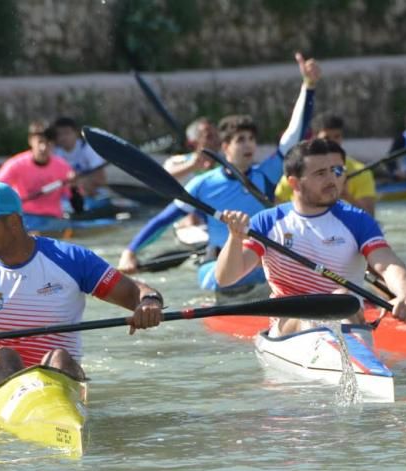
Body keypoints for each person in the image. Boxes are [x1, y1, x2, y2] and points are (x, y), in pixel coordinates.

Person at [0, 180, 164, 390]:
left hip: (55, 379)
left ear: (12, 222)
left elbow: (134, 291)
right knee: (6, 356)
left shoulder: (69, 259)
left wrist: (149, 302)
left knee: (60, 357)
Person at [117, 52, 320, 293]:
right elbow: (163, 220)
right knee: (222, 281)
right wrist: (130, 251)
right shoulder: (202, 184)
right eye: (240, 140)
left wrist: (309, 86)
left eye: (252, 140)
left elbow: (294, 134)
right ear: (225, 147)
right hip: (218, 266)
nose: (248, 145)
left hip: (258, 261)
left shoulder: (265, 174)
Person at [215, 138, 406, 335]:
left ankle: (357, 361)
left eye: (335, 171)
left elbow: (387, 264)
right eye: (320, 174)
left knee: (341, 299)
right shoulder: (267, 221)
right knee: (337, 299)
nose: (332, 180)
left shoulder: (357, 220)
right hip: (289, 324)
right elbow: (226, 278)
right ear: (294, 184)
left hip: (349, 318)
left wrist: (405, 295)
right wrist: (234, 238)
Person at [274, 113, 377, 215]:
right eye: (326, 138)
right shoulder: (299, 170)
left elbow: (369, 216)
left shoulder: (361, 171)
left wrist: (345, 195)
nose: (332, 142)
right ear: (314, 138)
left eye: (337, 136)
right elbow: (277, 206)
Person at [0, 121, 75, 232]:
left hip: (53, 221)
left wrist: (74, 186)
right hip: (24, 219)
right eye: (40, 142)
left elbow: (77, 206)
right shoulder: (16, 164)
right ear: (31, 141)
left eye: (48, 143)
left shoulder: (63, 167)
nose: (43, 147)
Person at [52, 116, 108, 202]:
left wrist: (78, 183)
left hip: (93, 196)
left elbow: (101, 180)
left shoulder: (88, 149)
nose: (63, 138)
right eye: (59, 134)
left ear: (76, 133)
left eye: (67, 133)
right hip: (66, 197)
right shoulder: (54, 152)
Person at [163, 117, 220, 182]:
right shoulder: (177, 161)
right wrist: (192, 165)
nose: (216, 140)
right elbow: (162, 178)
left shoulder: (227, 159)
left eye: (217, 135)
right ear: (192, 142)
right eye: (209, 136)